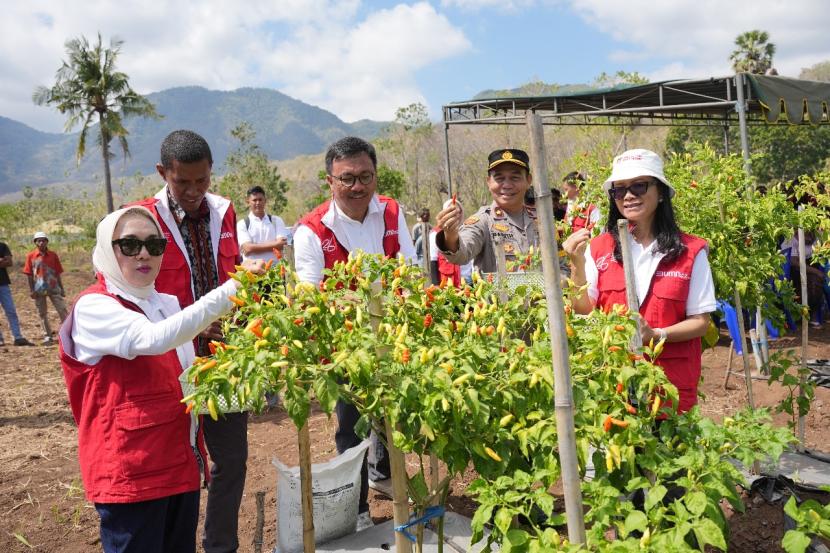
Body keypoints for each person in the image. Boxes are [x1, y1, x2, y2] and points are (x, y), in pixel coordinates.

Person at [59, 206, 264, 553]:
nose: (143, 254)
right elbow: (154, 339)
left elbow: (185, 375)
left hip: (178, 464)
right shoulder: (95, 307)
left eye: (154, 245)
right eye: (129, 245)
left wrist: (241, 372)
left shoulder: (165, 302)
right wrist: (234, 287)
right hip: (131, 472)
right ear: (108, 250)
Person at [293, 136, 417, 529]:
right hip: (345, 348)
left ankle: (395, 491)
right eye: (347, 179)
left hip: (395, 338)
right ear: (330, 181)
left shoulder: (392, 213)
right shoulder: (311, 230)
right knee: (350, 427)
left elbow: (410, 274)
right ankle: (358, 509)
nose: (358, 187)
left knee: (395, 421)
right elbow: (311, 297)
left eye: (366, 176)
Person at [132, 129, 245, 553]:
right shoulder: (141, 221)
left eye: (203, 180)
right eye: (183, 182)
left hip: (224, 360)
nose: (195, 191)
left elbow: (230, 277)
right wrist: (191, 324)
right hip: (169, 364)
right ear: (163, 173)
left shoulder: (225, 212)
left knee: (230, 460)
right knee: (173, 463)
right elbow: (129, 295)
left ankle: (220, 545)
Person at [563, 149, 716, 413]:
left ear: (661, 193)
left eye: (639, 186)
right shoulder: (599, 248)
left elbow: (701, 323)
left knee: (669, 452)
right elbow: (583, 310)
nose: (629, 196)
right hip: (613, 384)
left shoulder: (690, 251)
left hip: (668, 388)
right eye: (619, 190)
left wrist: (656, 335)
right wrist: (576, 264)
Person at [435, 148, 540, 274]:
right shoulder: (483, 220)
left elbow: (562, 265)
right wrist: (450, 235)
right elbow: (462, 254)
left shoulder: (543, 220)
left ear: (528, 180)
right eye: (499, 178)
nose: (507, 185)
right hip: (499, 294)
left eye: (515, 177)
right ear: (489, 182)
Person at [23, 231, 68, 345]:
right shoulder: (31, 256)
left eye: (44, 240)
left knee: (62, 310)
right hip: (39, 288)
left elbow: (57, 273)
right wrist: (32, 290)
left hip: (53, 287)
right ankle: (47, 336)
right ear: (35, 243)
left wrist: (61, 288)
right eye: (39, 240)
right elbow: (28, 274)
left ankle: (67, 333)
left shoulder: (53, 255)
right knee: (42, 313)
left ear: (47, 241)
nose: (41, 242)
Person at [237, 185, 290, 263]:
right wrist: (275, 244)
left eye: (260, 199)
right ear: (248, 202)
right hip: (252, 272)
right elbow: (248, 248)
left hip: (276, 271)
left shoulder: (276, 220)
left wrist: (254, 247)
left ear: (265, 200)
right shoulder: (242, 224)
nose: (258, 203)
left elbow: (282, 244)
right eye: (254, 200)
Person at [0, 240, 34, 346]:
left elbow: (9, 262)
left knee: (11, 311)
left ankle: (18, 337)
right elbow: (5, 261)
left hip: (3, 284)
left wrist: (4, 260)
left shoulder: (2, 246)